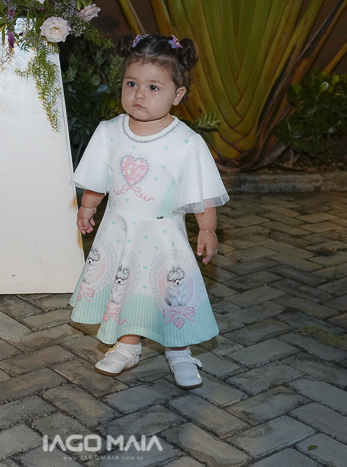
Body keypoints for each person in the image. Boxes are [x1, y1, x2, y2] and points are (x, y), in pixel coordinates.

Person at [69, 33, 229, 389]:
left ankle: (179, 351)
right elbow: (98, 177)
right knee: (126, 288)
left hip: (163, 236)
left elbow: (201, 193)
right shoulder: (110, 132)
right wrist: (88, 206)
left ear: (178, 95)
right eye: (132, 84)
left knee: (169, 291)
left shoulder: (186, 142)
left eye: (153, 87)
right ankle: (128, 345)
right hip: (120, 231)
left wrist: (207, 230)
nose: (139, 94)